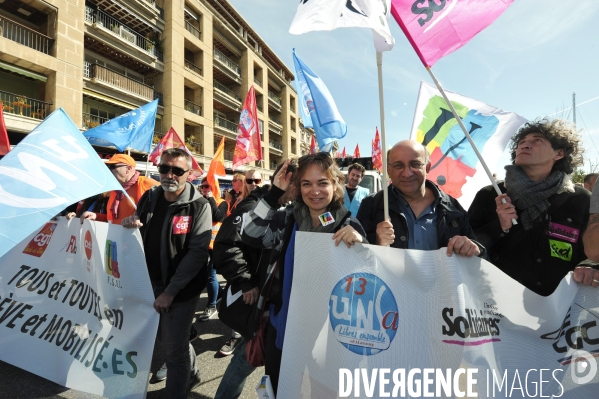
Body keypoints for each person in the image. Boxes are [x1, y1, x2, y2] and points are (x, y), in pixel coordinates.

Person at [241, 153, 367, 394]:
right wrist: (273, 193)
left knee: (325, 392)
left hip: (328, 335)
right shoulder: (286, 218)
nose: (314, 191)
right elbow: (249, 234)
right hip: (284, 326)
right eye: (306, 184)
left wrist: (361, 247)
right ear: (297, 187)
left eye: (322, 183)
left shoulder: (348, 224)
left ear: (335, 184)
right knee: (280, 389)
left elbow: (365, 282)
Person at [468, 119, 595, 296]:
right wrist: (500, 226)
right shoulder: (491, 195)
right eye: (521, 142)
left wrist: (590, 265)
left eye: (537, 140)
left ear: (559, 153)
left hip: (562, 309)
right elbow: (468, 242)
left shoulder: (581, 199)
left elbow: (594, 248)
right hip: (497, 304)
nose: (525, 145)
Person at [121, 148, 211, 397]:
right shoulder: (149, 197)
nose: (169, 174)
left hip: (181, 290)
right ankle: (191, 372)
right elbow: (137, 232)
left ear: (189, 174)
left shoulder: (199, 206)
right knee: (170, 340)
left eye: (177, 170)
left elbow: (197, 254)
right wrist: (128, 225)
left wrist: (170, 292)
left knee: (173, 352)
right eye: (164, 168)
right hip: (149, 284)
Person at [212, 159, 298, 399]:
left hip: (275, 301)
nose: (303, 190)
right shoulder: (253, 206)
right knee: (247, 358)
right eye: (298, 183)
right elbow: (226, 244)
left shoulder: (293, 209)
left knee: (259, 358)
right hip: (258, 298)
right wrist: (245, 281)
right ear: (283, 181)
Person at [356, 140, 483, 257]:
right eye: (398, 165)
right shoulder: (371, 205)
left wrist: (472, 248)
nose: (407, 173)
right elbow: (356, 260)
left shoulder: (452, 207)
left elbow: (481, 260)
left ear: (427, 167)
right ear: (389, 170)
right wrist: (376, 243)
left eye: (415, 164)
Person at [218, 169, 264, 357]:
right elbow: (228, 242)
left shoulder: (266, 205)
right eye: (249, 180)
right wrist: (243, 279)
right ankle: (236, 337)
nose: (253, 183)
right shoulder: (240, 203)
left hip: (257, 273)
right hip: (242, 271)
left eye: (257, 180)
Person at [82, 154, 158, 224]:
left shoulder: (146, 183)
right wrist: (96, 216)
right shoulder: (115, 190)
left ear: (128, 168)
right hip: (116, 237)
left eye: (112, 167)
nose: (109, 171)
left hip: (136, 237)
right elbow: (112, 220)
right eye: (108, 167)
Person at [198, 178, 229, 322]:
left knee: (211, 275)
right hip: (200, 244)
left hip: (214, 246)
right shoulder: (198, 200)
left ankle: (211, 305)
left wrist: (210, 198)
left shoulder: (222, 202)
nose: (205, 188)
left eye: (208, 186)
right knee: (205, 275)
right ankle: (220, 292)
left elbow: (218, 216)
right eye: (203, 186)